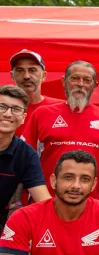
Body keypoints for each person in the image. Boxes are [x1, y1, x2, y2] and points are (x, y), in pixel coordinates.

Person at [22, 60, 99, 203]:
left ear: (95, 85)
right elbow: (24, 158)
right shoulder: (42, 114)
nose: (80, 84)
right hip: (46, 200)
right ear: (64, 81)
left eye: (87, 80)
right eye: (75, 78)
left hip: (92, 202)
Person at [0, 86, 50, 227]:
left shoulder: (26, 154)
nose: (8, 114)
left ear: (23, 118)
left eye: (16, 109)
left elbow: (43, 201)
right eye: (2, 107)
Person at [9, 49, 63, 137]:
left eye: (32, 70)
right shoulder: (3, 109)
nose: (26, 76)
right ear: (12, 76)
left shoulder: (61, 107)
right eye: (20, 70)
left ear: (44, 75)